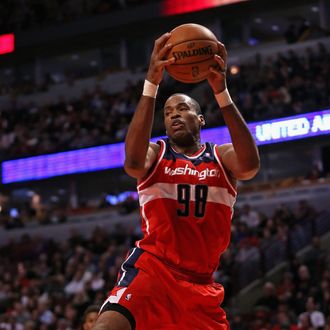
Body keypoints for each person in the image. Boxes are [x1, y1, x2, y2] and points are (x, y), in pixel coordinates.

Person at [93, 31, 260, 330]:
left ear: (201, 119)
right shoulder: (156, 153)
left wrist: (222, 93)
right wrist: (151, 84)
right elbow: (132, 163)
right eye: (168, 112)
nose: (174, 115)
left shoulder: (221, 157)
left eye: (183, 108)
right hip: (153, 269)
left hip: (200, 284)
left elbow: (249, 164)